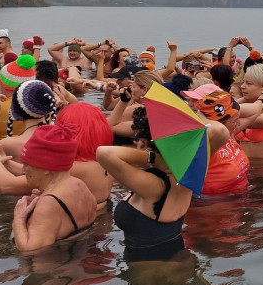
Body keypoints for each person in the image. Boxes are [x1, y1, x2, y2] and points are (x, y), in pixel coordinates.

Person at [97, 104, 228, 261]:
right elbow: (221, 131)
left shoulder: (154, 185)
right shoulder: (190, 168)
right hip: (173, 256)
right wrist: (192, 118)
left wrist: (152, 158)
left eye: (136, 139)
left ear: (143, 143)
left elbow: (103, 153)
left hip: (150, 268)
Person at [11, 123, 97, 252]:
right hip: (76, 260)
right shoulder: (80, 185)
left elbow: (31, 251)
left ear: (46, 167)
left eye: (27, 164)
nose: (23, 171)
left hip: (54, 267)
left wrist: (18, 219)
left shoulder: (49, 203)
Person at [188, 89, 249, 198]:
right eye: (235, 121)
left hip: (236, 197)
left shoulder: (230, 132)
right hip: (211, 203)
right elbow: (220, 130)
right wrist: (201, 116)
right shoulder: (204, 141)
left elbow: (253, 112)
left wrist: (261, 101)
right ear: (220, 123)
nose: (238, 123)